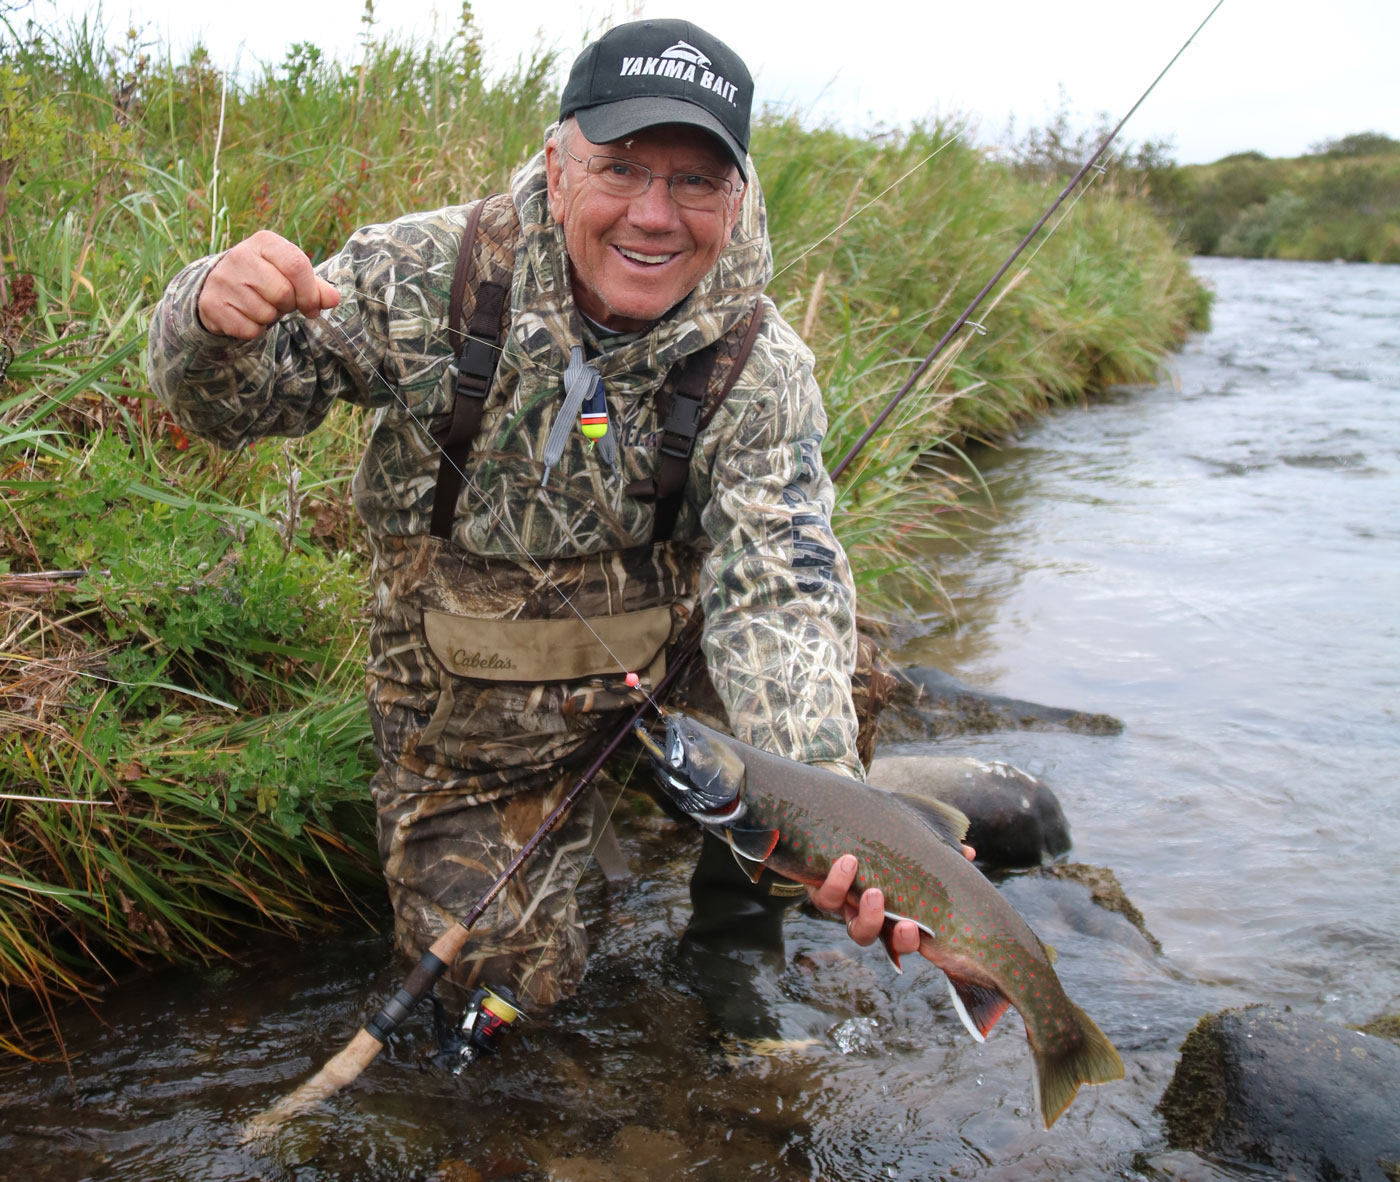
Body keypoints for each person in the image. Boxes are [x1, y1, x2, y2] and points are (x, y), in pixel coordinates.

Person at [147, 18, 952, 1015]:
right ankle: (570, 859)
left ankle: (733, 938)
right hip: (469, 712)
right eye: (620, 169)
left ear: (735, 195)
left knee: (846, 664)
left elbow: (778, 583)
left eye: (694, 181)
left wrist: (839, 821)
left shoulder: (759, 358)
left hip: (669, 673)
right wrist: (207, 319)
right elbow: (236, 408)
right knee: (496, 996)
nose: (654, 215)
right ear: (556, 166)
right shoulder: (419, 274)